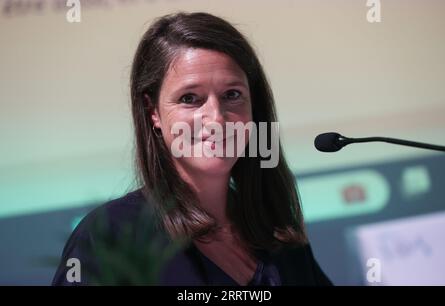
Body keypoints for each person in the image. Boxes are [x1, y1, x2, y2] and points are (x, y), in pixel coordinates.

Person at [52, 12, 332, 286]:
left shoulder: (277, 233)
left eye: (232, 95)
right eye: (190, 98)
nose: (217, 118)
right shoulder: (111, 237)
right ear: (153, 112)